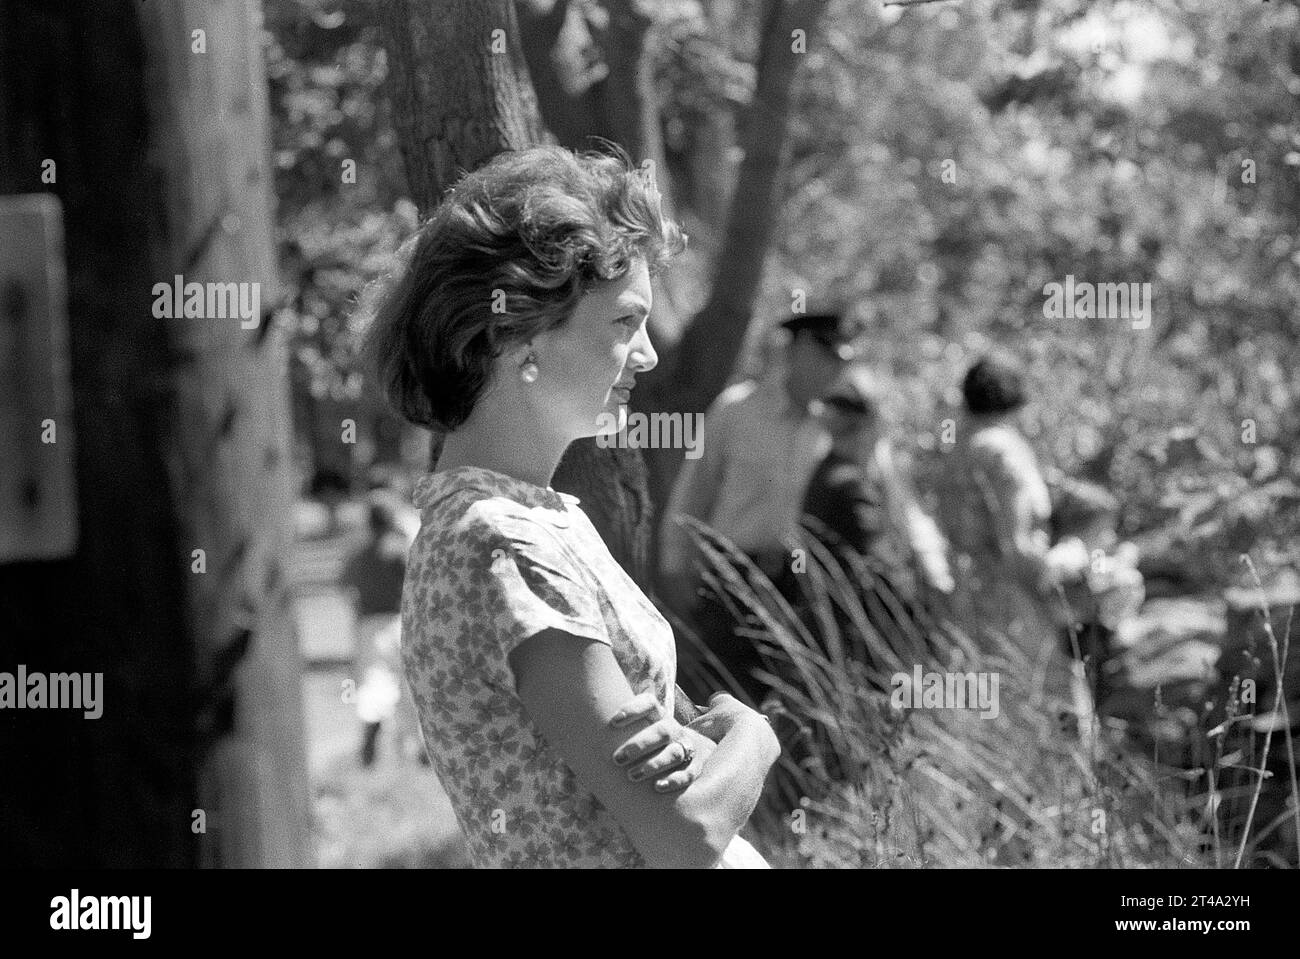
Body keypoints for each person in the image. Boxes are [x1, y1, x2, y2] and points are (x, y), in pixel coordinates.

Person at [363, 144, 779, 868]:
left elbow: (656, 765)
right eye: (625, 322)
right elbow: (684, 833)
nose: (647, 355)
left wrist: (707, 742)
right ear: (517, 331)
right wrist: (756, 736)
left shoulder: (531, 520)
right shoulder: (501, 543)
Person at [657, 310, 859, 704]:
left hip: (802, 586)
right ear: (798, 350)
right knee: (719, 698)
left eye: (841, 363)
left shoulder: (838, 424)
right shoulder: (737, 410)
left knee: (791, 709)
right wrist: (675, 566)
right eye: (827, 358)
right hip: (730, 576)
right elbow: (694, 490)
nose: (834, 372)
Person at [933, 354, 1088, 721]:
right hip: (1016, 610)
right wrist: (1072, 567)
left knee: (989, 719)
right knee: (1057, 715)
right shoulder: (1005, 451)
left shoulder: (958, 451)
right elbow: (1015, 547)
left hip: (967, 603)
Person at [339, 495, 422, 766]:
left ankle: (370, 749)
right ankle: (417, 750)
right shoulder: (399, 547)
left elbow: (343, 584)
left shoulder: (360, 551)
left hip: (369, 624)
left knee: (375, 686)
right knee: (409, 688)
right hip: (399, 621)